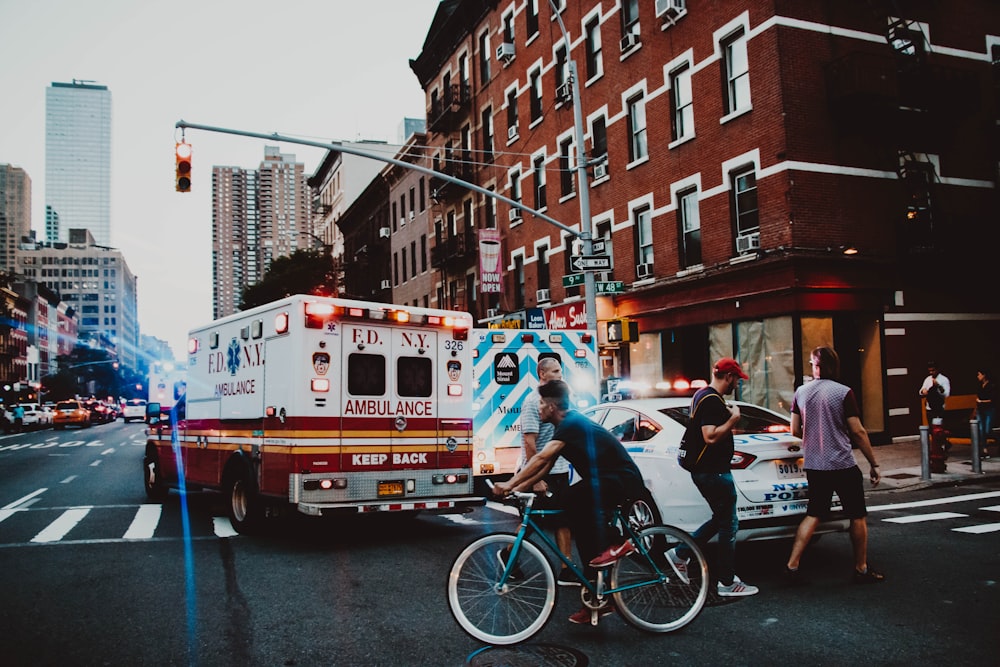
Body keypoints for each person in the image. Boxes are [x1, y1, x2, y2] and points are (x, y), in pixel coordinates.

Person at [493, 379, 646, 625]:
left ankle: (618, 542)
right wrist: (518, 489)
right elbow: (544, 468)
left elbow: (542, 457)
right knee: (583, 532)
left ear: (552, 406)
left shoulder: (571, 423)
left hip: (619, 480)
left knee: (571, 498)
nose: (539, 407)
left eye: (542, 403)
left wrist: (510, 484)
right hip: (606, 481)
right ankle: (596, 599)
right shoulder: (563, 428)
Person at [785, 346, 884, 584]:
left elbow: (794, 429)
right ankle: (860, 568)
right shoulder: (843, 393)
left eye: (811, 363)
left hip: (815, 464)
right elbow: (858, 431)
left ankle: (792, 565)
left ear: (816, 365)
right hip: (842, 463)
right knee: (857, 515)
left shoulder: (801, 392)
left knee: (814, 513)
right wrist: (874, 463)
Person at [669, 357, 759, 597]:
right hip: (713, 471)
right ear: (728, 377)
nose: (737, 384)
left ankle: (680, 553)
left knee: (722, 519)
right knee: (729, 524)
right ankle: (727, 582)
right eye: (737, 379)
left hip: (708, 470)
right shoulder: (711, 401)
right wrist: (733, 419)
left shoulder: (702, 395)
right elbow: (709, 436)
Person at [514, 357, 576, 586]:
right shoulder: (533, 401)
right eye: (556, 371)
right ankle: (508, 555)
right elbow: (530, 441)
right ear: (542, 374)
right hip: (540, 470)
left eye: (560, 371)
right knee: (533, 522)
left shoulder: (557, 398)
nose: (560, 375)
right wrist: (536, 478)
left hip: (558, 469)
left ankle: (566, 568)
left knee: (563, 518)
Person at [974, 368, 995, 459]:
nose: (978, 376)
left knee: (987, 429)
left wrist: (981, 401)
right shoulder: (979, 386)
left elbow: (992, 400)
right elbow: (977, 398)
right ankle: (984, 449)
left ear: (984, 375)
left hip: (989, 409)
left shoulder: (991, 386)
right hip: (980, 410)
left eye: (979, 374)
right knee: (981, 429)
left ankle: (993, 443)